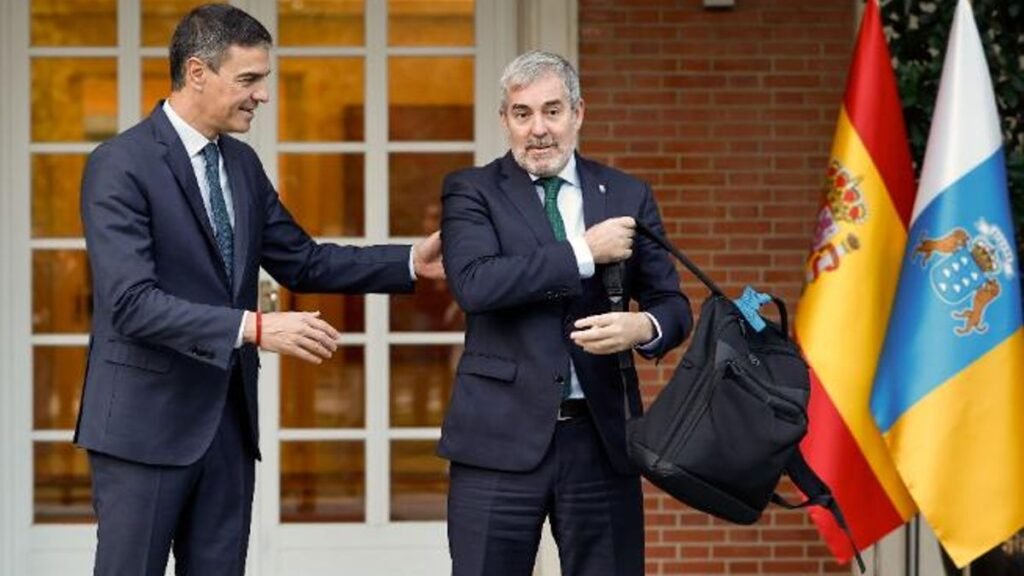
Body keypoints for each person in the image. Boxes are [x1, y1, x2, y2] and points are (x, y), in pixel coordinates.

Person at [73, 4, 443, 575]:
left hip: (227, 426)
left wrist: (410, 262)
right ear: (197, 72)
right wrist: (255, 327)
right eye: (249, 79)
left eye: (263, 79)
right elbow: (131, 303)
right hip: (142, 428)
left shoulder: (241, 165)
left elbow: (304, 261)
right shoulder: (120, 164)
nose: (262, 95)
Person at [438, 50, 693, 576]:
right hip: (497, 442)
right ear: (504, 120)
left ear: (577, 113)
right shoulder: (471, 191)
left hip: (600, 441)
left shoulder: (626, 194)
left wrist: (641, 326)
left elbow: (672, 305)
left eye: (552, 111)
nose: (539, 129)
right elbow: (475, 284)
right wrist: (583, 252)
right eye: (523, 113)